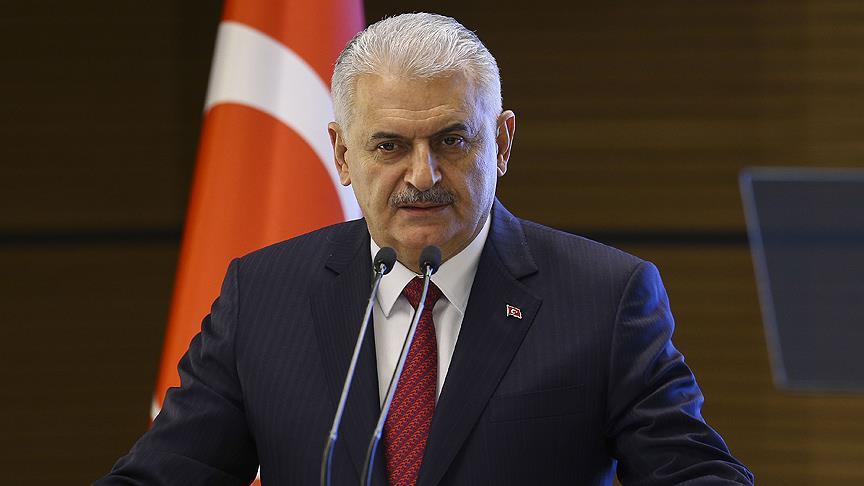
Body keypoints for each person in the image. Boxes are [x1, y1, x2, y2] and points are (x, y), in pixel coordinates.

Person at [98, 13, 754, 486]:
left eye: (451, 141)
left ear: (501, 142)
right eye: (389, 146)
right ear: (341, 154)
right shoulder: (265, 296)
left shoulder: (604, 298)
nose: (421, 175)